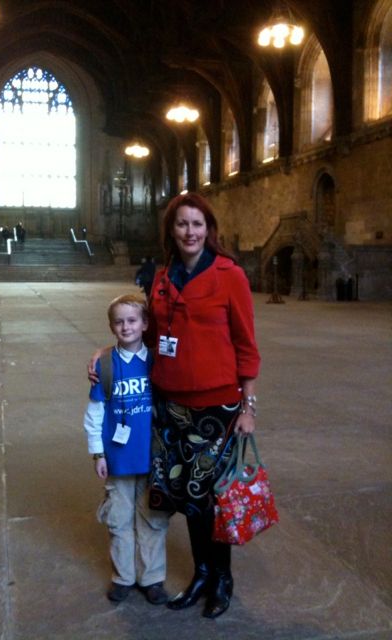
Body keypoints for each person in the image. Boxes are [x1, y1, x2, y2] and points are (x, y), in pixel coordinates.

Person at [89, 192, 260, 619]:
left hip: (216, 406)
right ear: (172, 230)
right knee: (188, 497)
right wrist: (104, 355)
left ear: (209, 229)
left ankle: (222, 578)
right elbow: (147, 334)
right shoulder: (162, 278)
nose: (190, 231)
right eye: (182, 224)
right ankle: (201, 571)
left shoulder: (229, 274)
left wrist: (248, 405)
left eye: (197, 224)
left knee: (214, 496)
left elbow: (246, 345)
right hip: (170, 408)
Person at [83, 293, 169, 606]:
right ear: (111, 326)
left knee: (152, 520)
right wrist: (98, 452)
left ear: (145, 324)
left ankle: (152, 578)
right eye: (119, 321)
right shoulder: (105, 364)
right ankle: (123, 577)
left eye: (132, 320)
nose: (126, 326)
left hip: (152, 457)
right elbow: (95, 412)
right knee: (118, 519)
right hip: (117, 459)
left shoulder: (158, 362)